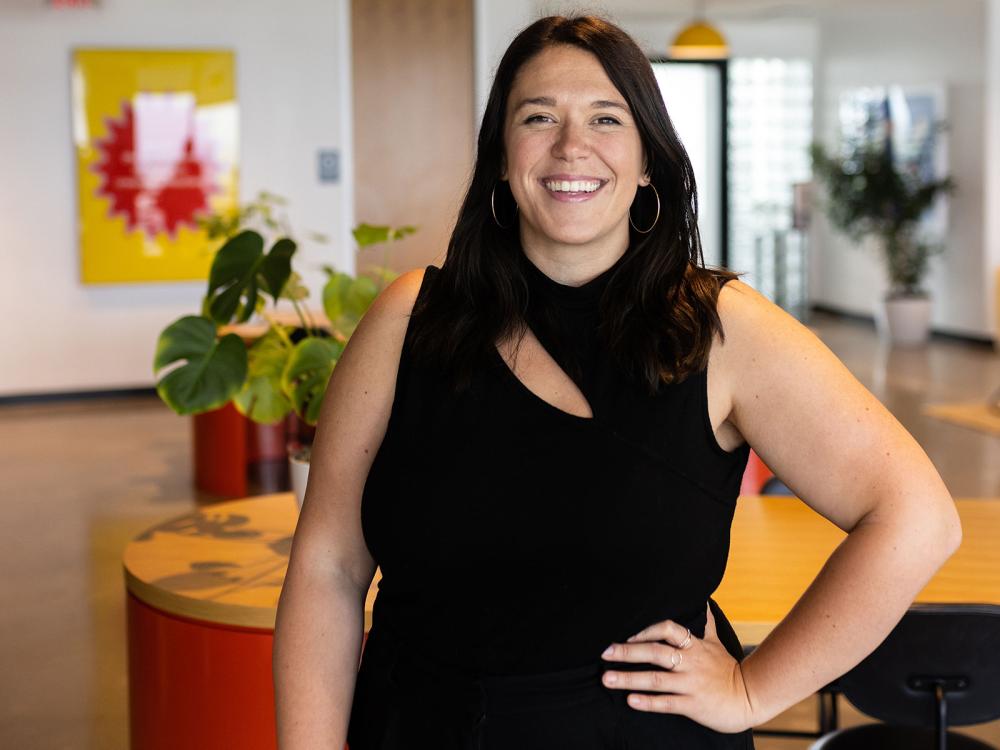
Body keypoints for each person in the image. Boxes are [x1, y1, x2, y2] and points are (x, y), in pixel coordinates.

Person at [273, 15, 961, 750]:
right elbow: (328, 568)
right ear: (502, 157)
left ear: (646, 163)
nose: (573, 146)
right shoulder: (410, 319)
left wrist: (754, 688)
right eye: (539, 117)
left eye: (607, 118)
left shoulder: (721, 329)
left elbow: (915, 517)